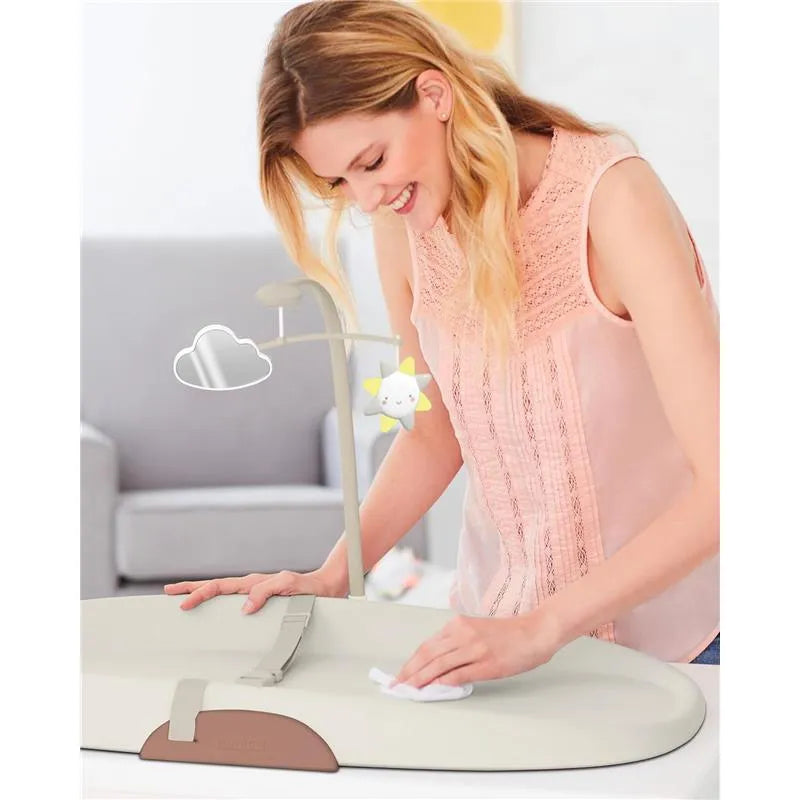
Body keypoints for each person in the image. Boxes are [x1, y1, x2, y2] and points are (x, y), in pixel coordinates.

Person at [164, 0, 720, 679]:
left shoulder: (613, 201)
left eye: (372, 161)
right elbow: (431, 432)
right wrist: (334, 574)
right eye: (340, 181)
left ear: (435, 94)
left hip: (683, 648)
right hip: (503, 645)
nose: (366, 199)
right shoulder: (402, 228)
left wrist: (544, 627)